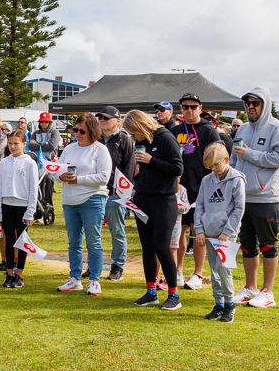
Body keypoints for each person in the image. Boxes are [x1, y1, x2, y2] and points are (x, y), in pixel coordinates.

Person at [230, 88, 279, 310]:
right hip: (243, 197)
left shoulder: (277, 128)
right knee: (247, 245)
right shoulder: (243, 129)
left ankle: (268, 292)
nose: (251, 107)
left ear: (265, 104)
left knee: (268, 245)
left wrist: (250, 154)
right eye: (248, 103)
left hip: (266, 197)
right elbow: (234, 159)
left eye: (255, 103)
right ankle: (250, 288)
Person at [125, 109, 184, 308]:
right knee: (147, 246)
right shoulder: (141, 142)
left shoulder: (166, 138)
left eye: (134, 133)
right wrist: (136, 184)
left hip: (163, 200)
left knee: (162, 247)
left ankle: (173, 294)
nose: (133, 137)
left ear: (141, 126)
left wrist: (152, 160)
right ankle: (151, 291)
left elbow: (178, 168)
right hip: (143, 198)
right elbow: (141, 169)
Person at [55, 113, 112, 295]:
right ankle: (74, 278)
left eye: (82, 131)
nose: (77, 134)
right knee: (73, 242)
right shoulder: (69, 149)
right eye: (76, 130)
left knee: (93, 241)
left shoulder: (100, 150)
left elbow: (104, 177)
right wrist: (60, 176)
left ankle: (94, 279)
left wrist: (78, 179)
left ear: (92, 131)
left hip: (92, 199)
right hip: (69, 200)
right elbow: (55, 172)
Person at [173, 93, 221, 291]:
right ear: (181, 109)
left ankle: (198, 274)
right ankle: (177, 270)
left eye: (193, 106)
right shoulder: (175, 130)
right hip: (178, 188)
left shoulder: (209, 131)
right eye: (185, 107)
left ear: (200, 108)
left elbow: (218, 157)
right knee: (178, 231)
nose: (189, 110)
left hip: (201, 188)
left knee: (198, 230)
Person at [194, 143, 246, 322]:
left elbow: (239, 208)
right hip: (209, 231)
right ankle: (219, 304)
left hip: (226, 234)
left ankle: (230, 304)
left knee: (224, 268)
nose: (213, 169)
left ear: (226, 160)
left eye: (216, 165)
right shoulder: (206, 180)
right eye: (210, 166)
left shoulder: (237, 180)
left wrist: (228, 231)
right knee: (214, 269)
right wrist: (199, 229)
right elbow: (199, 206)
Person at [0, 130, 39, 289]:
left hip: (23, 206)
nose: (12, 146)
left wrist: (30, 212)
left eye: (16, 143)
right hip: (7, 206)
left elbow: (33, 189)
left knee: (22, 241)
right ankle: (9, 273)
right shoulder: (4, 162)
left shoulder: (30, 163)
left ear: (24, 144)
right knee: (9, 240)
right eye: (10, 143)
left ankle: (19, 274)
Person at [100, 107, 133, 282]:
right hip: (96, 192)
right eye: (101, 117)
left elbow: (130, 167)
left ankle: (118, 266)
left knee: (117, 231)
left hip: (115, 193)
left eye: (107, 118)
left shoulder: (124, 139)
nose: (103, 120)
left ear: (118, 121)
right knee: (92, 231)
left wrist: (123, 193)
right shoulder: (95, 138)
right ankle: (94, 264)